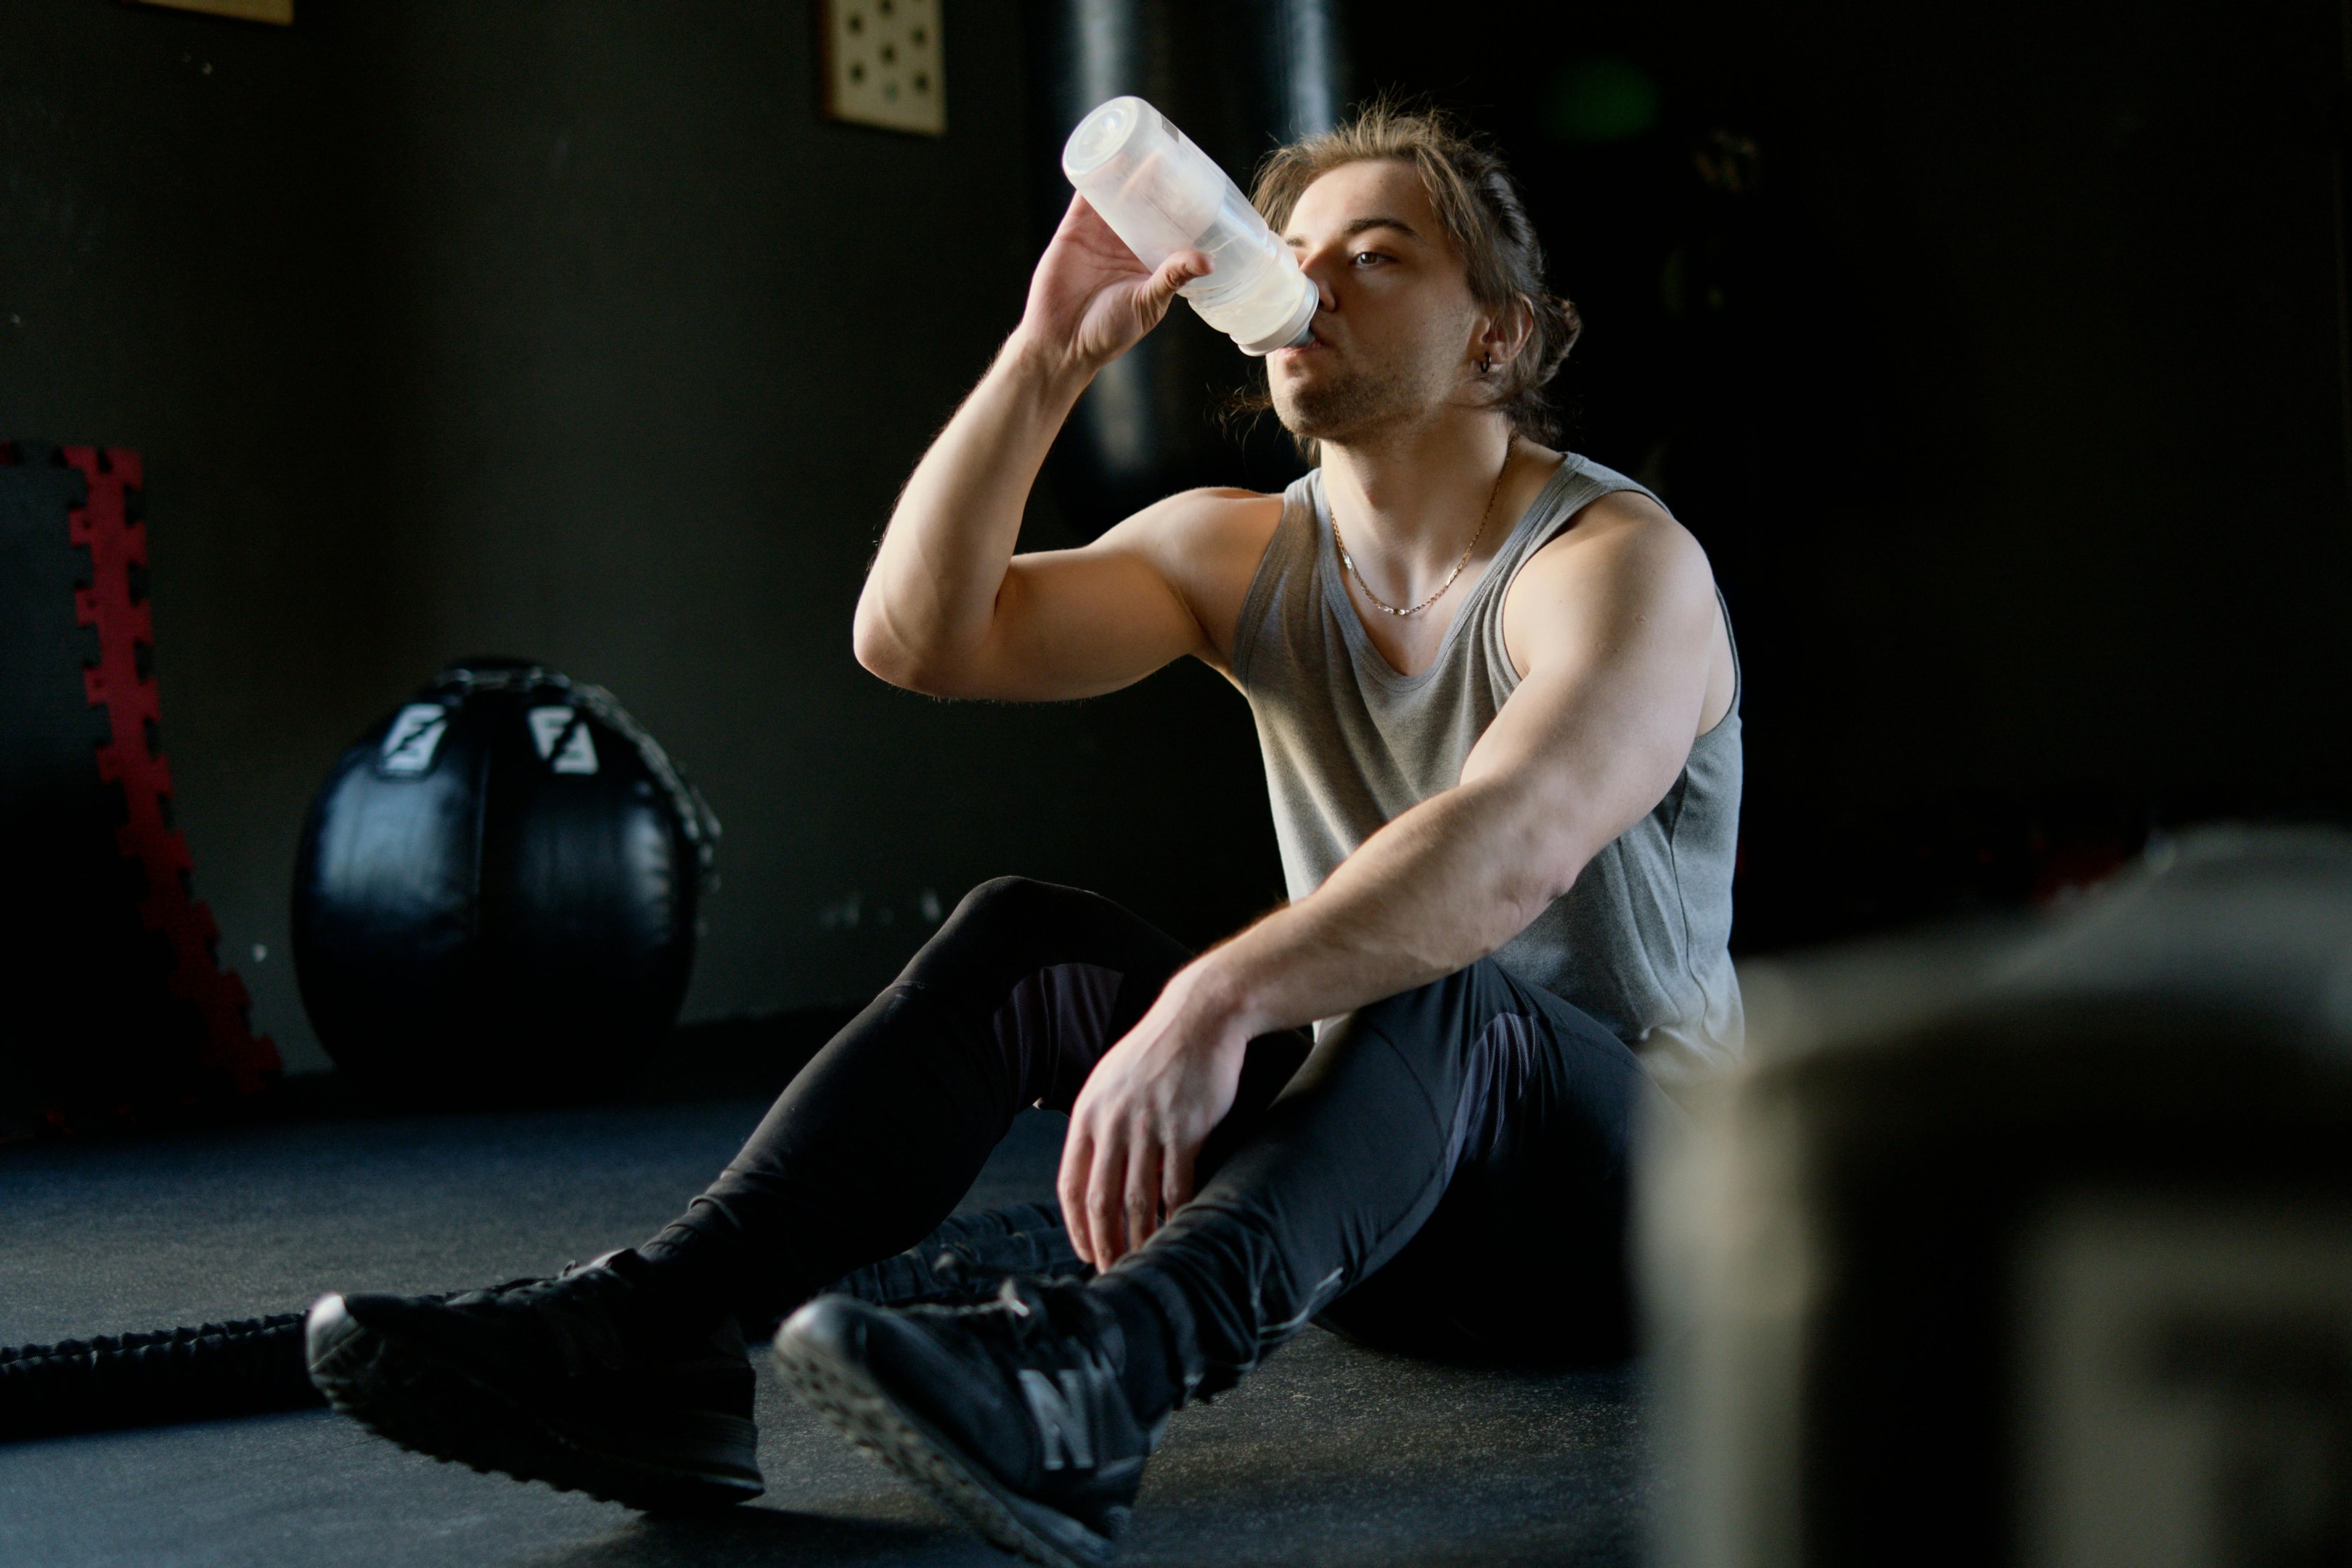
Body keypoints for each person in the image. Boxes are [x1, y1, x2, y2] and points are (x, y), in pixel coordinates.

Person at [304, 103, 1741, 1568]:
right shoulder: (1243, 547)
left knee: (1437, 980)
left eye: (1375, 258)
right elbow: (922, 636)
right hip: (1378, 1213)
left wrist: (1216, 996)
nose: (1313, 285)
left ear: (1496, 338)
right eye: (1290, 252)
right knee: (1025, 942)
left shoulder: (1615, 566)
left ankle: (1096, 1383)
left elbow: (1511, 850)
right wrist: (1047, 354)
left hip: (1661, 1229)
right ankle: (659, 1338)